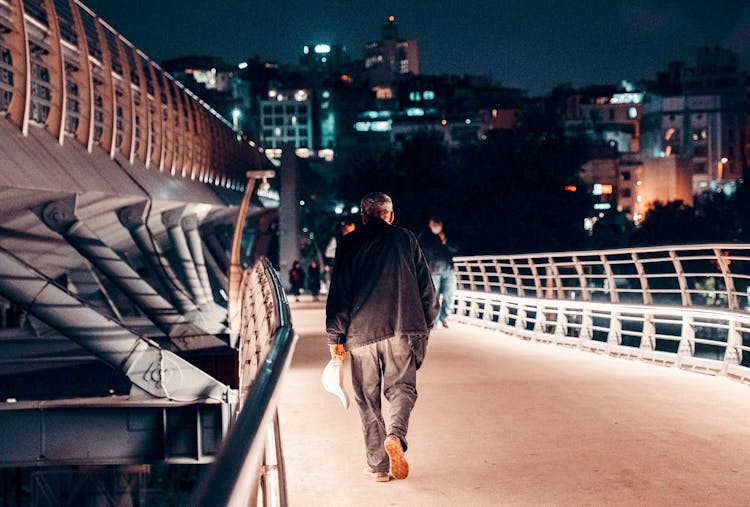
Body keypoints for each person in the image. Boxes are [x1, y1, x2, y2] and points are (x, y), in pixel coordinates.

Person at [326, 192, 438, 482]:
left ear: (364, 217)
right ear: (390, 215)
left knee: (367, 398)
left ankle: (378, 467)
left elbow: (339, 293)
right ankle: (396, 437)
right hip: (404, 327)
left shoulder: (349, 243)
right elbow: (426, 285)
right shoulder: (406, 239)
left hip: (361, 333)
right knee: (402, 388)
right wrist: (426, 322)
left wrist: (335, 337)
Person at [418, 217, 459, 328]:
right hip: (433, 271)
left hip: (448, 271)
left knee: (449, 295)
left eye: (438, 223)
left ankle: (444, 317)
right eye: (434, 223)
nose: (436, 226)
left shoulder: (447, 234)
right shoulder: (424, 236)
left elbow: (456, 248)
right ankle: (434, 321)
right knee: (433, 298)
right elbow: (419, 251)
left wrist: (445, 240)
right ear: (429, 223)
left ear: (441, 223)